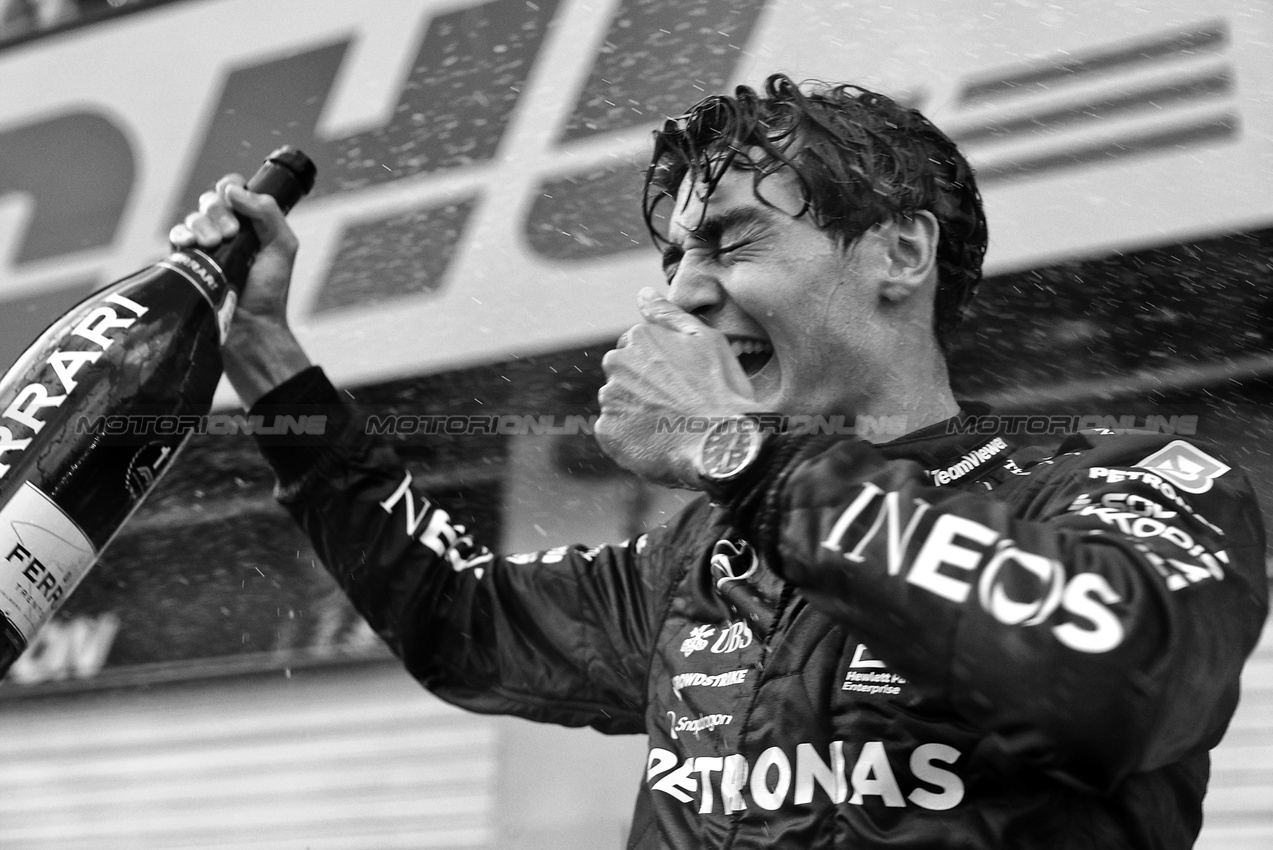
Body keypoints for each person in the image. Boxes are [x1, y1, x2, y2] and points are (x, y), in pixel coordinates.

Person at [172, 74, 1268, 849]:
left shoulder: (1118, 484)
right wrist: (270, 366)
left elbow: (1114, 676)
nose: (682, 290)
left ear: (900, 252)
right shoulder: (698, 553)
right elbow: (460, 619)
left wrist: (725, 449)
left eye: (733, 240)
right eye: (672, 255)